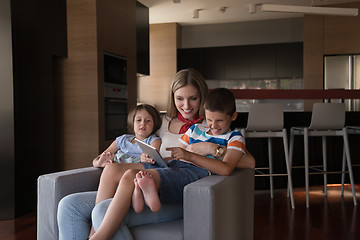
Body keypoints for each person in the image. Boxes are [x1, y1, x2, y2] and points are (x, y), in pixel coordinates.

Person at [57, 68, 224, 240]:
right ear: (173, 98)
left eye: (193, 98)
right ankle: (95, 232)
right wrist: (138, 157)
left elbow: (237, 155)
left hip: (178, 187)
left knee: (103, 209)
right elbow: (139, 143)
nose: (186, 106)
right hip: (153, 174)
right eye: (180, 98)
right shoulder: (161, 122)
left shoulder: (213, 123)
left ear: (202, 97)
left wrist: (213, 150)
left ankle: (95, 236)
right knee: (69, 205)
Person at [89, 87, 247, 240]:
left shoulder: (234, 137)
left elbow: (226, 169)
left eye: (219, 120)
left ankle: (100, 237)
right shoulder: (196, 129)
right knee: (118, 171)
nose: (213, 125)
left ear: (233, 116)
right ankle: (95, 232)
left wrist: (192, 156)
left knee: (131, 176)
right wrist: (155, 160)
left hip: (195, 174)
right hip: (176, 166)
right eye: (210, 119)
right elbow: (179, 154)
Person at [93, 104, 162, 168]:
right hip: (113, 170)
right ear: (132, 123)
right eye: (139, 120)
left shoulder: (154, 141)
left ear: (154, 124)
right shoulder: (122, 139)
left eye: (148, 120)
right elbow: (96, 160)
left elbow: (151, 159)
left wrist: (146, 158)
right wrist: (99, 163)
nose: (143, 123)